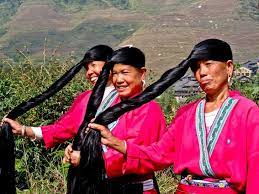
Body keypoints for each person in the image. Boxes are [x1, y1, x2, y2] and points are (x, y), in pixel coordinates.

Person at [89, 39, 259, 194]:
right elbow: (159, 154)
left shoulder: (247, 111)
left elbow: (256, 167)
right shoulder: (186, 113)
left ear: (228, 67)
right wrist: (117, 143)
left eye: (208, 64)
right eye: (196, 68)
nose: (202, 72)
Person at [64, 46, 167, 194]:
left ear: (142, 73)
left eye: (125, 73)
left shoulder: (148, 109)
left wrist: (88, 160)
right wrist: (79, 146)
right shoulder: (111, 105)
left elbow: (139, 155)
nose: (118, 80)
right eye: (115, 74)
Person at [2, 44, 114, 149]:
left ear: (109, 64)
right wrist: (23, 130)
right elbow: (62, 129)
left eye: (93, 65)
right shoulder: (84, 98)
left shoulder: (126, 96)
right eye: (86, 68)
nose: (89, 73)